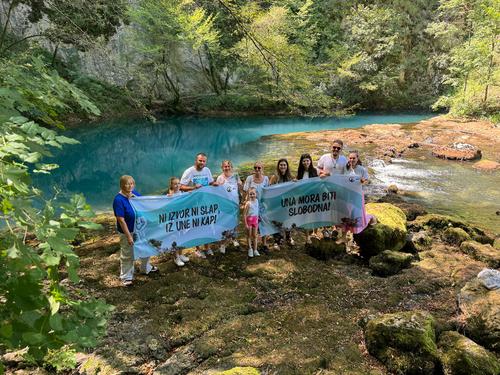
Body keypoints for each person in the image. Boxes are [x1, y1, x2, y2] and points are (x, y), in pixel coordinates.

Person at [113, 175, 157, 286]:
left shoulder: (135, 194)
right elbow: (121, 220)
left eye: (132, 183)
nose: (130, 186)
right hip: (127, 231)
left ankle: (145, 268)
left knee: (146, 248)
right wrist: (128, 236)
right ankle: (126, 276)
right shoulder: (118, 200)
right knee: (128, 253)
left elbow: (145, 204)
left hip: (140, 229)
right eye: (127, 184)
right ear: (122, 185)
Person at [180, 153, 215, 258]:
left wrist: (215, 184)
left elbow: (210, 182)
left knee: (208, 224)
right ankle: (198, 249)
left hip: (206, 202)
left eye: (204, 161)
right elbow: (181, 186)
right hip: (194, 204)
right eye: (200, 161)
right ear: (196, 160)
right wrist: (193, 188)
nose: (202, 163)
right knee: (197, 226)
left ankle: (207, 247)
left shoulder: (207, 170)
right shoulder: (189, 171)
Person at [342, 151, 374, 241]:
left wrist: (363, 181)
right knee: (346, 215)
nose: (352, 160)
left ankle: (371, 217)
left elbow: (366, 180)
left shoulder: (362, 169)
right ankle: (344, 237)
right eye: (350, 158)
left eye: (354, 158)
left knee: (356, 216)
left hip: (357, 195)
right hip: (347, 195)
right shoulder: (346, 168)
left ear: (357, 158)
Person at [215, 160, 242, 254]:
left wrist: (240, 185)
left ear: (231, 167)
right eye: (225, 166)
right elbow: (216, 193)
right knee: (225, 225)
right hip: (225, 206)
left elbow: (240, 188)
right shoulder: (219, 178)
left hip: (235, 204)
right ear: (222, 168)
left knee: (235, 223)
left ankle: (234, 239)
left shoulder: (236, 176)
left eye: (228, 166)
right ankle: (222, 244)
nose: (227, 168)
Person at [243, 161, 270, 251]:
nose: (257, 169)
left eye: (259, 168)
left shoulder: (266, 179)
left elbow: (268, 191)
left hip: (262, 205)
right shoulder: (249, 178)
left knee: (264, 224)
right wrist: (244, 202)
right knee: (251, 226)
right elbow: (245, 191)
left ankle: (264, 243)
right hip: (252, 205)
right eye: (255, 168)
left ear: (262, 169)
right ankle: (251, 247)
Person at [270, 158, 294, 248]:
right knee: (277, 222)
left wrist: (295, 183)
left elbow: (295, 189)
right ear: (278, 166)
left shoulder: (290, 177)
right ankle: (277, 240)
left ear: (287, 166)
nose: (283, 166)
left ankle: (288, 237)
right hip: (277, 204)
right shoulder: (274, 177)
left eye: (284, 165)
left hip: (287, 204)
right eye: (281, 165)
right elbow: (269, 191)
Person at [167, 177, 190, 266]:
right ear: (171, 185)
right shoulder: (168, 195)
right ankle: (176, 257)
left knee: (182, 237)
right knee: (175, 238)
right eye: (175, 184)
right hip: (173, 220)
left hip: (182, 219)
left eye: (179, 183)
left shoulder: (182, 193)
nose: (177, 185)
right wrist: (168, 198)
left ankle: (181, 254)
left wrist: (191, 195)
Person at [296, 153, 318, 243]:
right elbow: (297, 183)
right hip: (304, 198)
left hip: (313, 197)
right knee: (307, 217)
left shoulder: (314, 171)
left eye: (307, 161)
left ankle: (315, 233)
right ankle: (308, 236)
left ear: (310, 161)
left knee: (315, 215)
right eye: (304, 161)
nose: (306, 162)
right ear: (301, 162)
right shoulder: (300, 172)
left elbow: (318, 183)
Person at [243, 187, 260, 257]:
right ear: (248, 195)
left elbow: (257, 211)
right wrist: (246, 224)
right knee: (249, 235)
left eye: (253, 194)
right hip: (249, 221)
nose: (252, 195)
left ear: (256, 194)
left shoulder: (257, 201)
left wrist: (258, 218)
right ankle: (250, 249)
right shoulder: (248, 203)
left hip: (255, 220)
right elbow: (244, 214)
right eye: (250, 194)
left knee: (255, 235)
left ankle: (255, 249)